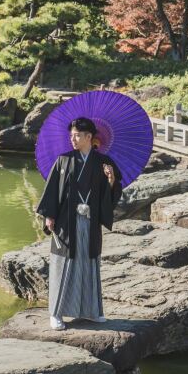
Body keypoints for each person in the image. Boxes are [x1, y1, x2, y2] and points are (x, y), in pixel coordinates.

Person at [36, 116, 122, 331]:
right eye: (71, 136)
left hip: (90, 222)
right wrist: (49, 215)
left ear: (89, 137)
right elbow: (52, 190)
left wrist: (111, 182)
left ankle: (91, 311)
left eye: (77, 136)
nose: (73, 140)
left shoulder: (104, 163)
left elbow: (110, 195)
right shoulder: (63, 160)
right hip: (67, 222)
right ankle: (55, 313)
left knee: (88, 263)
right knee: (62, 265)